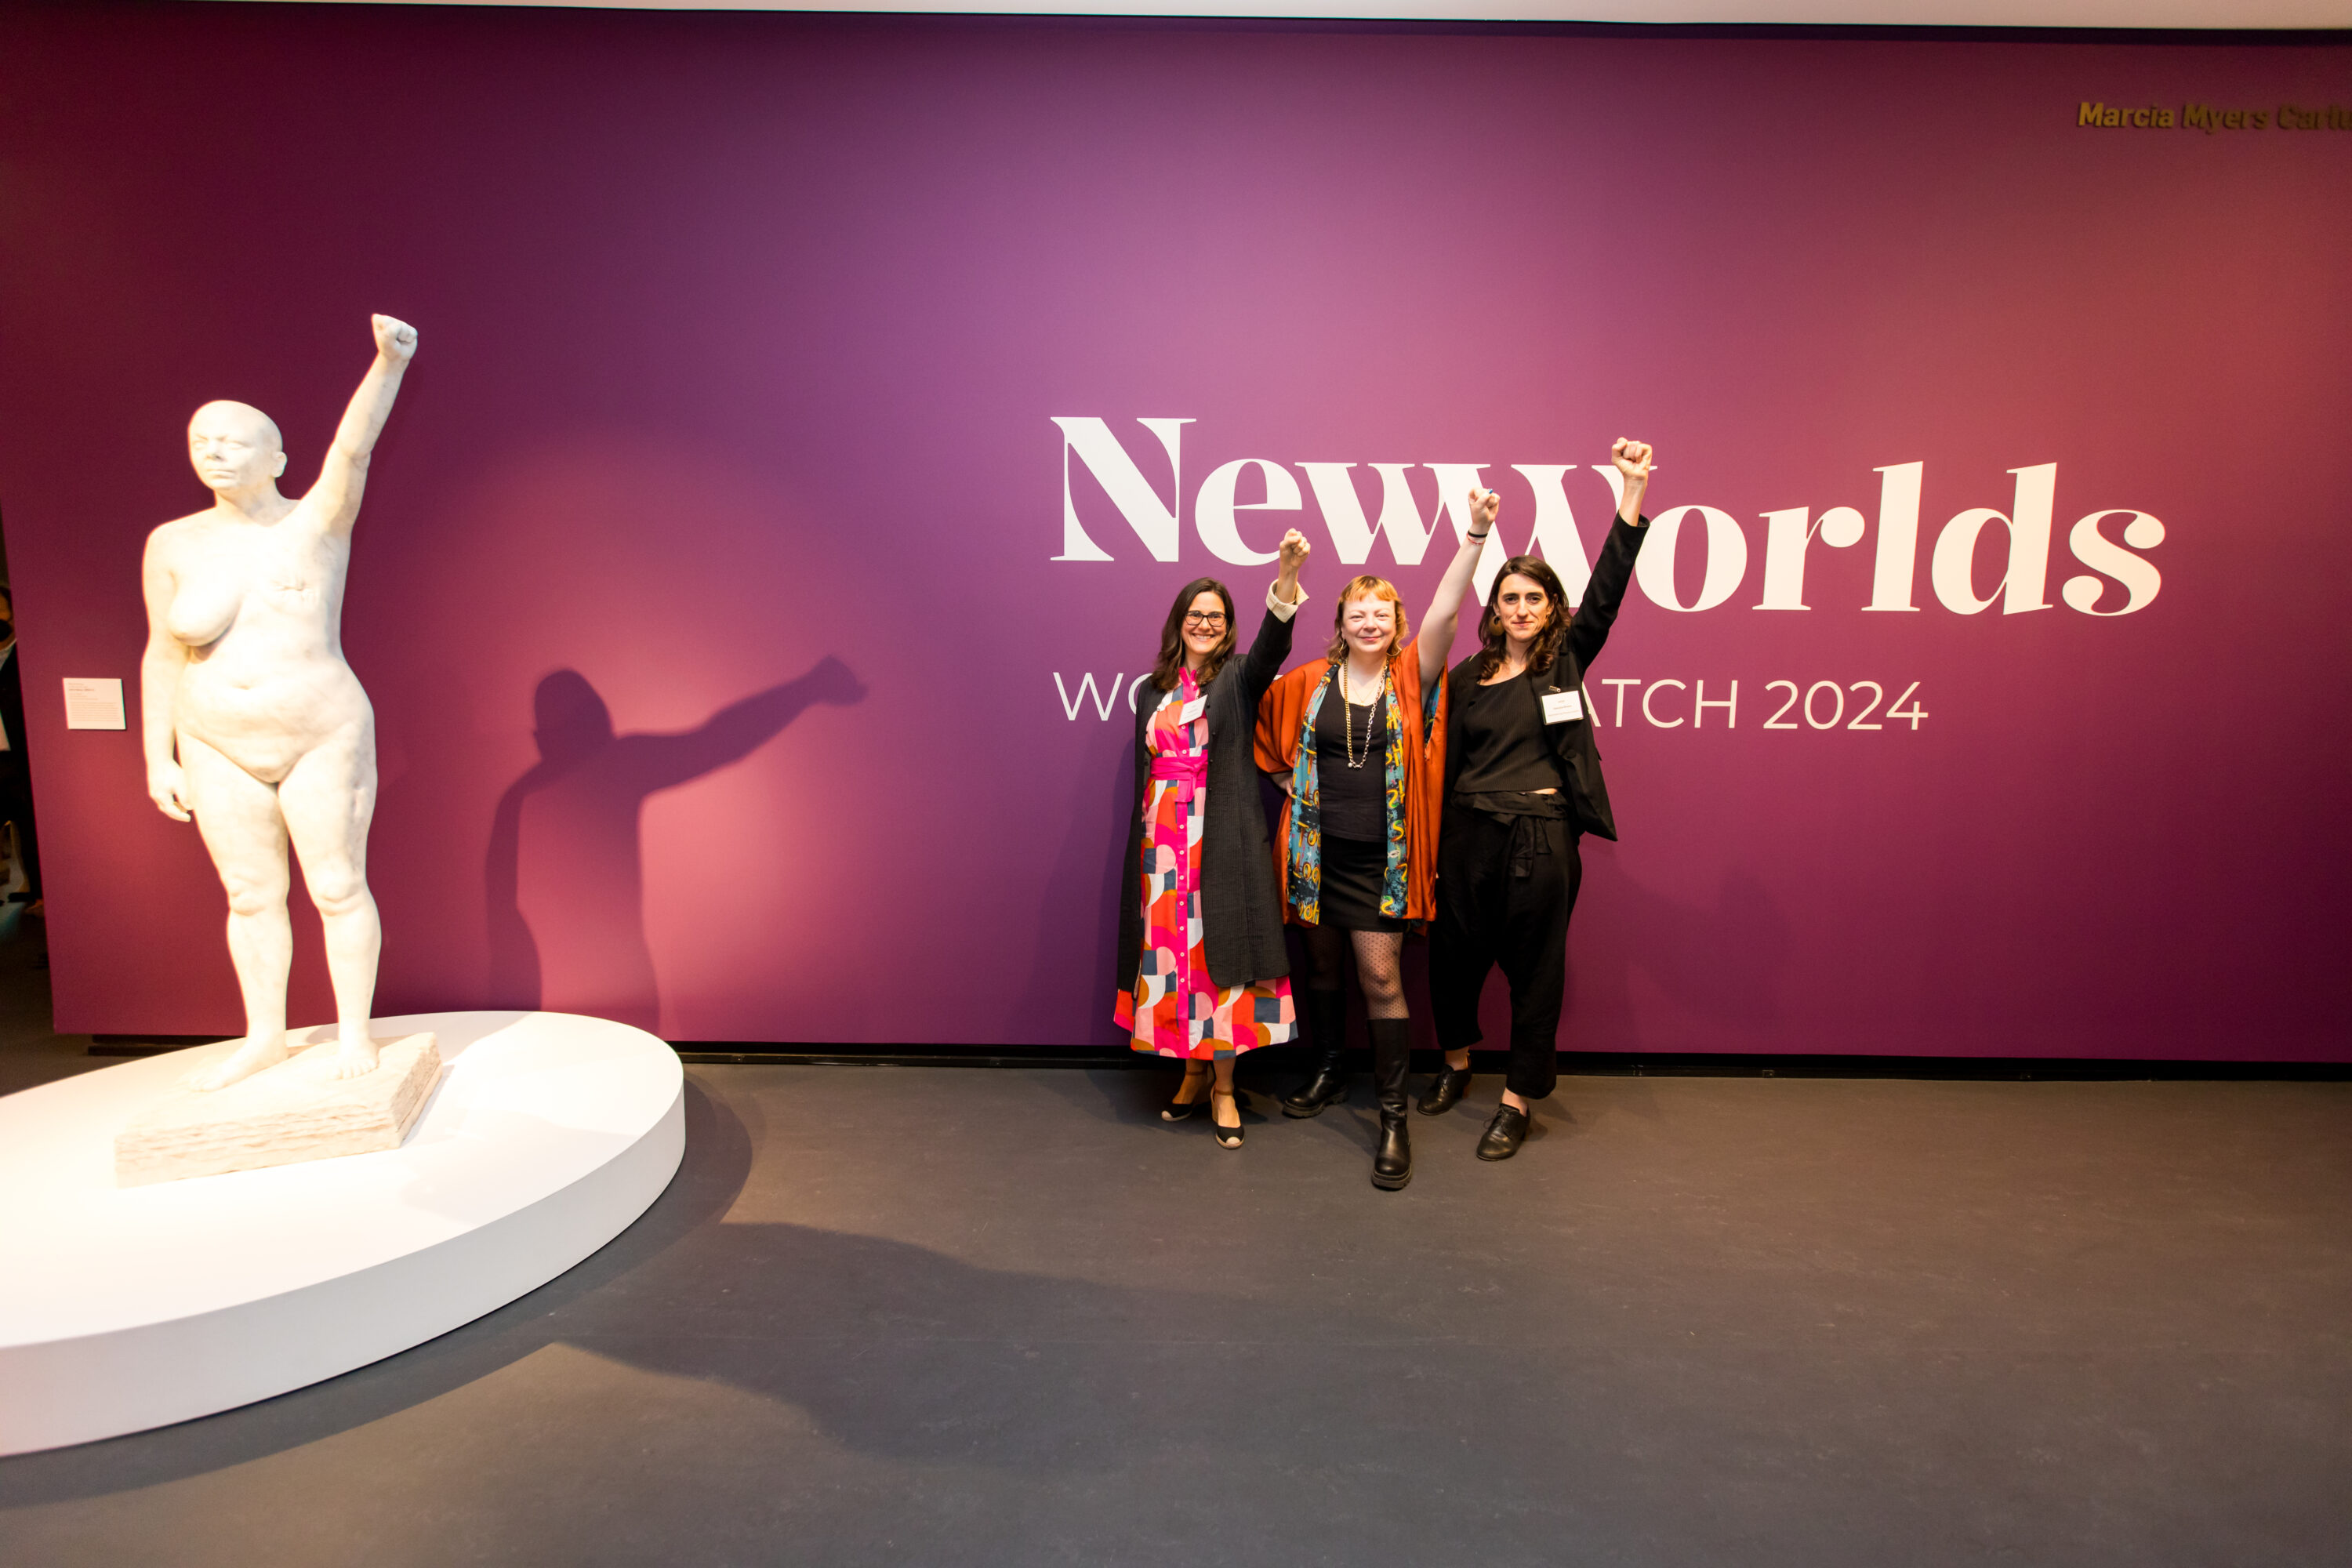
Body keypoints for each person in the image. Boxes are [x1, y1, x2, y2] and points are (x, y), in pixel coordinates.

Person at [140, 314, 418, 1091]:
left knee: (335, 885)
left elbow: (353, 449)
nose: (214, 451)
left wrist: (388, 363)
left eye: (231, 440)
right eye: (201, 440)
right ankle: (265, 1033)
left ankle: (353, 1032)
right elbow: (162, 650)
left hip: (318, 728)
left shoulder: (316, 521)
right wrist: (156, 753)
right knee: (250, 893)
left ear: (276, 456)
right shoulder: (173, 542)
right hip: (214, 736)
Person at [1423, 439, 1656, 1160]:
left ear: (1552, 608)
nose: (1521, 608)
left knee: (1535, 973)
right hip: (1466, 836)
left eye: (1534, 598)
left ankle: (1517, 1100)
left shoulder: (1564, 661)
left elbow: (1610, 591)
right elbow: (1447, 764)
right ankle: (1458, 1064)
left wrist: (1632, 494)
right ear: (1494, 610)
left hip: (1541, 838)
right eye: (1509, 599)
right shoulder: (1466, 678)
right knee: (1450, 963)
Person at [1256, 494, 1494, 1189]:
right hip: (1313, 859)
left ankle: (1394, 1117)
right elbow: (1268, 748)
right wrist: (1296, 801)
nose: (1368, 620)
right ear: (1340, 623)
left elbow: (1448, 612)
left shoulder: (1413, 681)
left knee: (1381, 979)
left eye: (1381, 611)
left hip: (1380, 866)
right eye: (1356, 611)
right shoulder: (1305, 685)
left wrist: (1475, 534)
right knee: (1321, 969)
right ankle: (1330, 1069)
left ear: (1396, 625)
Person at [1115, 530, 1312, 1149]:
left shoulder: (1238, 681)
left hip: (1218, 843)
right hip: (1161, 850)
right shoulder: (1151, 691)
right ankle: (1192, 1072)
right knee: (1172, 965)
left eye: (1216, 616)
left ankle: (1224, 1086)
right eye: (1195, 614)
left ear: (1228, 628)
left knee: (1216, 964)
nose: (1205, 623)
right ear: (1180, 622)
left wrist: (1284, 574)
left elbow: (1273, 643)